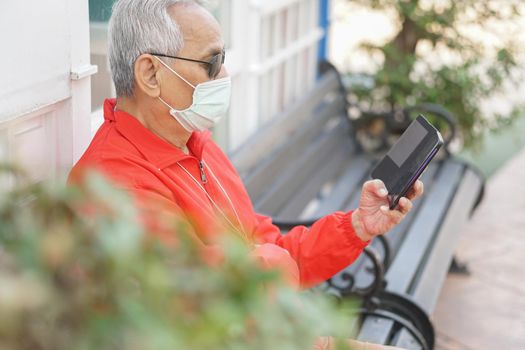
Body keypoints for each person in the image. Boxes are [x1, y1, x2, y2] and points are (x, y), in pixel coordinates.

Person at [69, 1, 422, 348]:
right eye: (213, 62)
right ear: (150, 74)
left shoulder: (196, 146)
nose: (224, 76)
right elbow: (212, 307)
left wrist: (358, 225)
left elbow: (269, 252)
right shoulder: (114, 186)